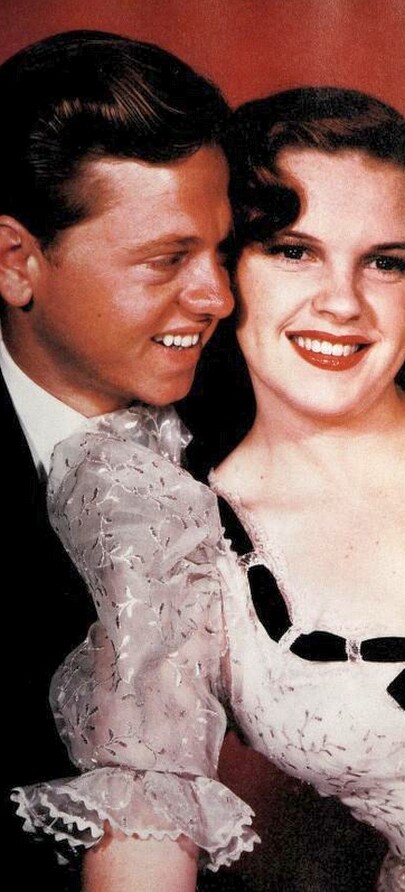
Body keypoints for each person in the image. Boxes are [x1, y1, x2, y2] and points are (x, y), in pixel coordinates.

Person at [15, 88, 405, 891]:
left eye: (386, 262)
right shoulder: (177, 546)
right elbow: (143, 845)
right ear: (224, 271)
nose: (342, 302)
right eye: (294, 252)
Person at [0, 30, 234, 889]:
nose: (218, 297)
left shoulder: (256, 406)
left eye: (220, 251)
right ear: (16, 263)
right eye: (168, 260)